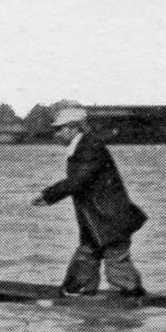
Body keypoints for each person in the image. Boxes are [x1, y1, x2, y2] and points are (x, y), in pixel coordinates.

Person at [30, 106, 148, 297]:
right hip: (97, 220)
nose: (56, 134)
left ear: (73, 128)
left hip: (109, 220)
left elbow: (78, 180)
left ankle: (133, 297)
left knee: (115, 259)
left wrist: (48, 195)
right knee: (86, 256)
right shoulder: (84, 146)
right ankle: (77, 292)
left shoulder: (89, 147)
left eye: (59, 129)